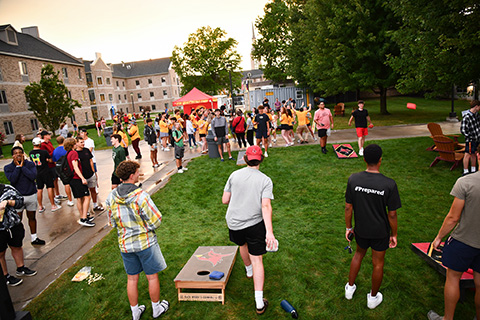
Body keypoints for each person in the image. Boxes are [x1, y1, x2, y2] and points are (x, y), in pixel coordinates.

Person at [106, 160, 169, 320]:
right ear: (132, 175)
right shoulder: (141, 196)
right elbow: (156, 220)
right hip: (145, 243)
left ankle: (135, 312)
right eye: (137, 172)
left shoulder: (111, 197)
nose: (139, 174)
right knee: (152, 276)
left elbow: (112, 222)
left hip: (125, 245)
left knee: (132, 278)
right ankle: (156, 309)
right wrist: (146, 227)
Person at [344, 144, 400, 309]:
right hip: (380, 231)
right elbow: (392, 214)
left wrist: (349, 228)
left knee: (358, 255)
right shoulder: (389, 184)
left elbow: (348, 207)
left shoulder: (353, 179)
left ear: (364, 159)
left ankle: (350, 288)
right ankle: (372, 298)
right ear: (380, 160)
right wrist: (394, 234)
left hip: (361, 229)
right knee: (378, 263)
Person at [222, 145, 276, 315]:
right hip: (253, 224)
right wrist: (269, 232)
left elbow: (225, 200)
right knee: (257, 259)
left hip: (234, 223)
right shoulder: (265, 180)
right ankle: (259, 303)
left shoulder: (234, 175)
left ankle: (248, 271)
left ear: (245, 159)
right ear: (261, 160)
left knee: (242, 244)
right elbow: (266, 206)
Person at [427, 150, 480, 320]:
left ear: (478, 156)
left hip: (463, 241)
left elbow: (452, 217)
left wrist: (438, 237)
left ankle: (447, 318)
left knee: (453, 278)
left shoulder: (466, 182)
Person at [4, 147, 45, 245]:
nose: (18, 155)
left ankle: (34, 238)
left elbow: (32, 176)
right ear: (12, 156)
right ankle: (17, 240)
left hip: (30, 195)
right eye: (15, 153)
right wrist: (18, 167)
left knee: (32, 217)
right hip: (17, 198)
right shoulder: (8, 168)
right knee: (17, 220)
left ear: (23, 154)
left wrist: (22, 166)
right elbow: (13, 179)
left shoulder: (30, 164)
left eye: (20, 153)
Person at [0, 183, 37, 286]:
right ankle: (5, 276)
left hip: (13, 225)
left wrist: (8, 202)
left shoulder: (7, 189)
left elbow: (20, 202)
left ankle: (21, 268)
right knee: (1, 252)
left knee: (16, 246)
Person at [64, 138, 95, 227]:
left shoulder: (68, 154)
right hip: (77, 178)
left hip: (72, 179)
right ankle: (84, 218)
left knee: (79, 198)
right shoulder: (74, 153)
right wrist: (82, 178)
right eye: (75, 143)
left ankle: (82, 215)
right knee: (87, 197)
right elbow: (75, 167)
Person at [29, 137, 61, 212]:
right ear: (39, 144)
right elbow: (50, 160)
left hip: (37, 172)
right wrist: (47, 159)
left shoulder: (31, 153)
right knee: (49, 187)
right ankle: (53, 205)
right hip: (46, 171)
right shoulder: (43, 152)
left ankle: (40, 206)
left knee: (39, 189)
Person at [40, 130, 66, 203]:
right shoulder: (43, 145)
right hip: (48, 165)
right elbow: (45, 155)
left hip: (53, 163)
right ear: (45, 136)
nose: (50, 136)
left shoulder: (49, 143)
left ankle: (57, 194)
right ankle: (53, 197)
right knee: (51, 181)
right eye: (48, 134)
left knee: (56, 179)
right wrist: (54, 153)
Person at [80, 129, 103, 211]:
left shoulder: (87, 147)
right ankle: (86, 210)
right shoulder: (75, 153)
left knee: (92, 189)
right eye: (81, 142)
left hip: (90, 170)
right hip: (83, 174)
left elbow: (90, 160)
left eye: (83, 142)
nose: (83, 144)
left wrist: (93, 172)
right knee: (84, 193)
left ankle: (95, 204)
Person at [52, 136, 75, 207]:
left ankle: (70, 200)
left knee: (66, 184)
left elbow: (54, 161)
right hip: (69, 167)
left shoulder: (55, 151)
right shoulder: (66, 149)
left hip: (61, 169)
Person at [460, 100, 480, 176]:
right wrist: (471, 137)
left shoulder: (477, 115)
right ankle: (465, 171)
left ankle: (473, 169)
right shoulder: (467, 117)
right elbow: (463, 130)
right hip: (471, 140)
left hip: (477, 139)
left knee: (474, 153)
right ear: (476, 106)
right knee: (468, 154)